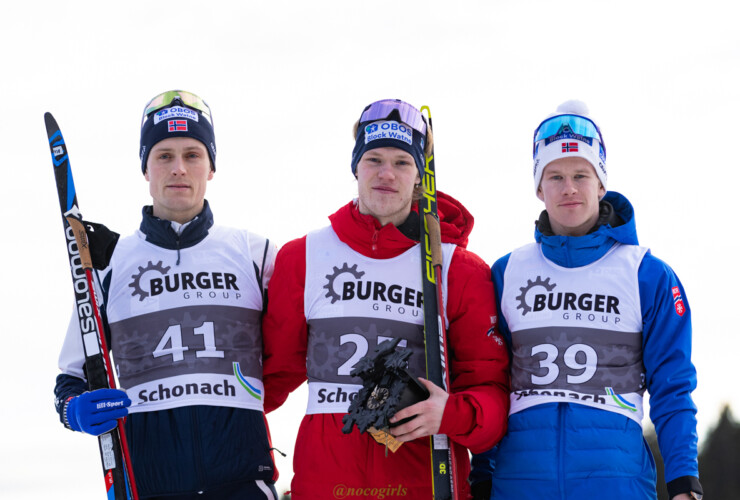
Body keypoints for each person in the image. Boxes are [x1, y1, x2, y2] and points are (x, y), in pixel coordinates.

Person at [262, 98, 510, 499]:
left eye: (401, 162)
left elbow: (492, 398)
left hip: (422, 485)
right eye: (374, 159)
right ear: (355, 166)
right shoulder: (301, 258)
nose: (386, 174)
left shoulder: (459, 270)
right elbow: (267, 382)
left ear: (419, 176)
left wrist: (452, 413)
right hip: (326, 487)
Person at [470, 100, 702, 500]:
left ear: (601, 183)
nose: (569, 188)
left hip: (617, 483)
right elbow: (489, 379)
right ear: (539, 188)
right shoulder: (508, 272)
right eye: (555, 176)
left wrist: (684, 484)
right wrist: (481, 476)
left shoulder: (647, 273)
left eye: (581, 174)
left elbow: (672, 386)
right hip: (520, 483)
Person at [53, 90, 279, 499]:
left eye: (192, 155)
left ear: (211, 167)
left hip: (243, 484)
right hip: (146, 485)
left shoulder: (254, 253)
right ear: (146, 169)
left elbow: (304, 347)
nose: (178, 168)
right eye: (164, 155)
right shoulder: (108, 263)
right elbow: (70, 379)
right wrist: (77, 412)